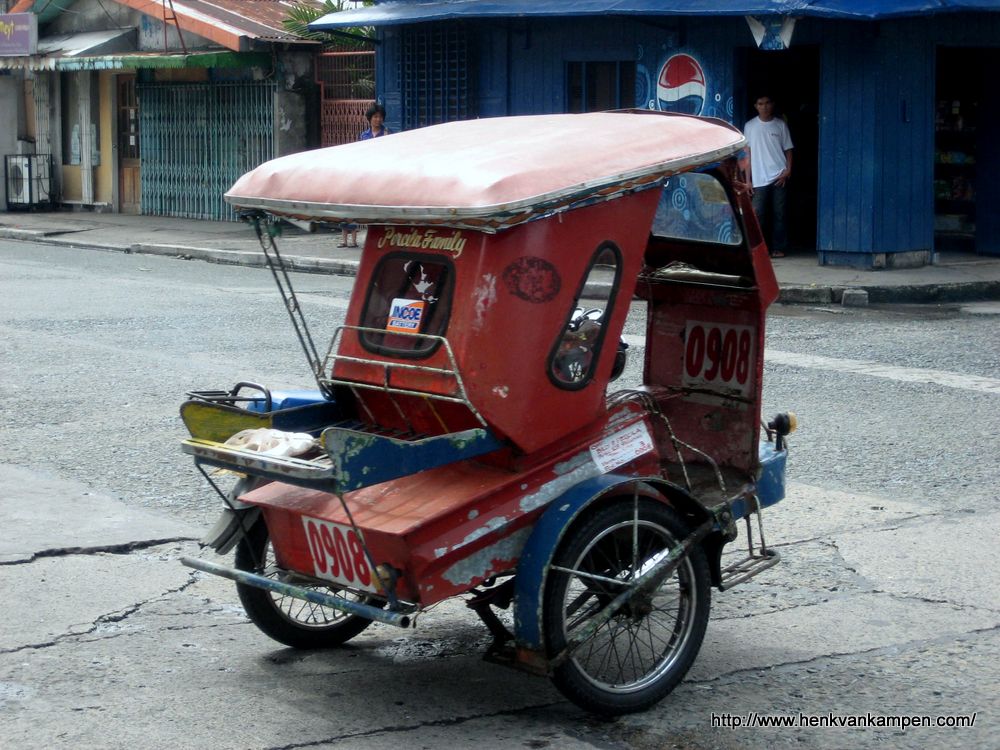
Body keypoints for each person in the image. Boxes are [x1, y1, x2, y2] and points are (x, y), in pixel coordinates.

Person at [743, 94, 793, 258]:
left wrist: (788, 170)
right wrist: (748, 181)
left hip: (779, 175)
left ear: (772, 104)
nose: (764, 106)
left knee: (780, 213)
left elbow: (788, 150)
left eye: (767, 103)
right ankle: (759, 249)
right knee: (757, 214)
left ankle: (779, 248)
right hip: (758, 177)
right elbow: (747, 155)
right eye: (760, 103)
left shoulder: (780, 125)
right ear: (756, 106)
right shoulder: (750, 126)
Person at [340, 103, 391, 247]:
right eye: (375, 117)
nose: (378, 120)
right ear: (369, 119)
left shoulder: (387, 133)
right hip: (367, 174)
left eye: (380, 117)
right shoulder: (364, 135)